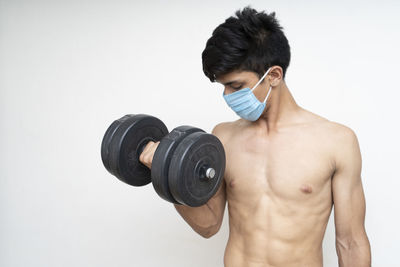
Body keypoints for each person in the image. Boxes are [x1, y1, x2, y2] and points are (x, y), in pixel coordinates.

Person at [140, 6, 371, 267]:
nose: (227, 96)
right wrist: (163, 170)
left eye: (236, 86)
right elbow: (208, 225)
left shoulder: (336, 142)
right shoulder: (223, 137)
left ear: (273, 75)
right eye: (223, 86)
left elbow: (350, 242)